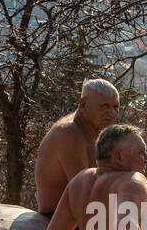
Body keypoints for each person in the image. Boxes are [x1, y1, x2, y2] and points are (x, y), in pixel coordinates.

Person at [34, 78, 120, 216]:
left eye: (115, 107)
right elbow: (84, 194)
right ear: (83, 104)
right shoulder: (68, 133)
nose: (111, 113)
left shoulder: (93, 129)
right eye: (104, 106)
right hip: (58, 219)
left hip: (84, 215)